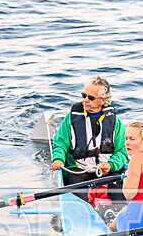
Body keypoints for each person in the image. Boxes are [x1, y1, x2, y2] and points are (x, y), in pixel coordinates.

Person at [50, 76, 128, 205]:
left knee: (118, 192)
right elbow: (60, 143)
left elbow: (122, 151)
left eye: (90, 98)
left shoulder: (115, 122)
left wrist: (111, 165)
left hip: (106, 169)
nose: (85, 100)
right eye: (84, 95)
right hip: (78, 168)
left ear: (103, 100)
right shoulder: (71, 118)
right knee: (78, 196)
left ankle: (117, 213)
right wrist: (58, 159)